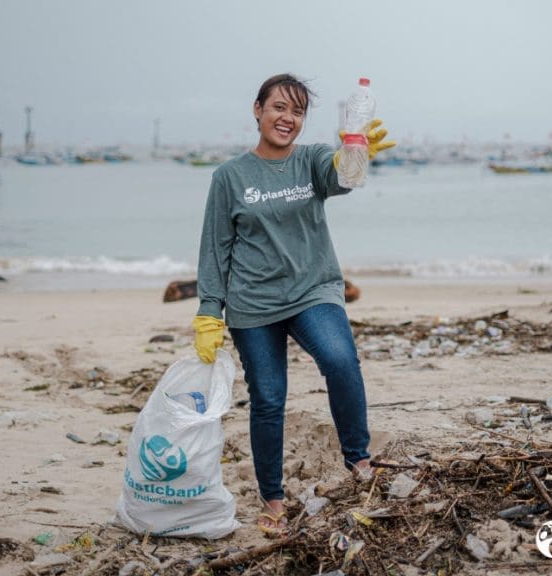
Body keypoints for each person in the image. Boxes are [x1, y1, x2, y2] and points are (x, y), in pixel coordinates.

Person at [193, 73, 395, 538]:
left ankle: (359, 462)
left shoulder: (311, 160)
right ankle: (272, 499)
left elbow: (345, 178)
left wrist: (356, 150)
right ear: (257, 109)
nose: (288, 119)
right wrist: (209, 308)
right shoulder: (229, 177)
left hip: (312, 291)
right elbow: (215, 246)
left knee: (341, 360)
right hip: (252, 304)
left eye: (298, 111)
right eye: (279, 107)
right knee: (267, 399)